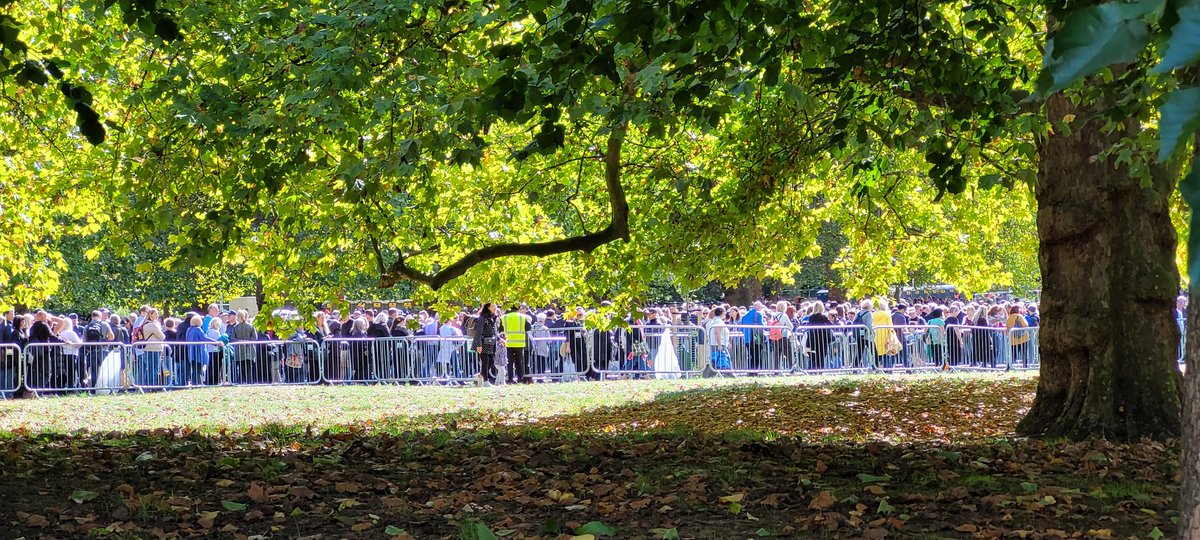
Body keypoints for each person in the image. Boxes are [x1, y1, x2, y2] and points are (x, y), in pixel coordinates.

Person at [501, 304, 532, 384]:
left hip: (508, 343)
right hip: (519, 343)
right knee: (519, 362)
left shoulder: (504, 317)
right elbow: (528, 328)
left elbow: (500, 329)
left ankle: (510, 379)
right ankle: (520, 378)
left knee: (509, 362)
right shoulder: (523, 317)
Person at [472, 303, 501, 385]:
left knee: (491, 361)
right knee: (485, 362)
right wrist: (478, 345)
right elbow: (478, 332)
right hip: (482, 343)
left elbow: (494, 331)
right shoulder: (482, 318)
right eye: (493, 306)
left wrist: (500, 339)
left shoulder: (493, 318)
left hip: (490, 343)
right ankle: (485, 381)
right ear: (488, 307)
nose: (495, 308)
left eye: (496, 306)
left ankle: (480, 375)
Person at [138, 309, 167, 387]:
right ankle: (153, 386)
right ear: (151, 315)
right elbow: (162, 336)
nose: (157, 316)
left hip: (148, 348)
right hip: (153, 349)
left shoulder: (144, 324)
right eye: (156, 314)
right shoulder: (152, 325)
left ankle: (149, 385)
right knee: (153, 369)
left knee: (149, 368)